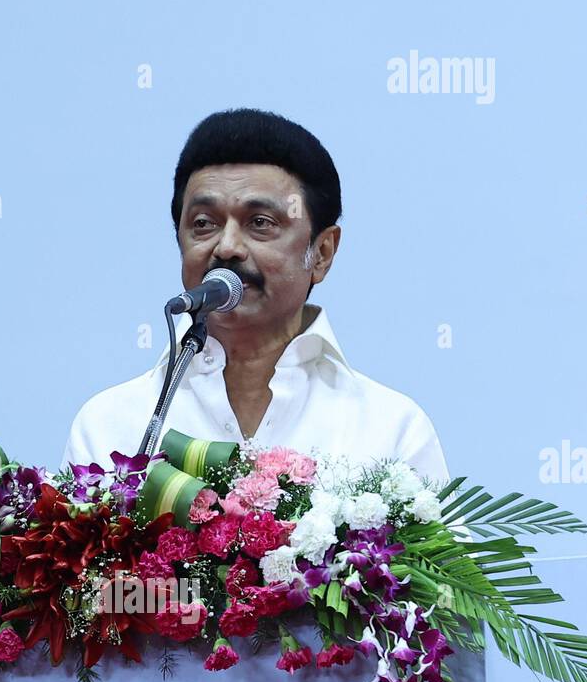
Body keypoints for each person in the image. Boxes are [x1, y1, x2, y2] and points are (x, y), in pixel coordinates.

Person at [62, 108, 449, 483]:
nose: (227, 247)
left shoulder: (390, 430)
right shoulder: (112, 425)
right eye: (203, 223)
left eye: (260, 223)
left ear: (322, 253)